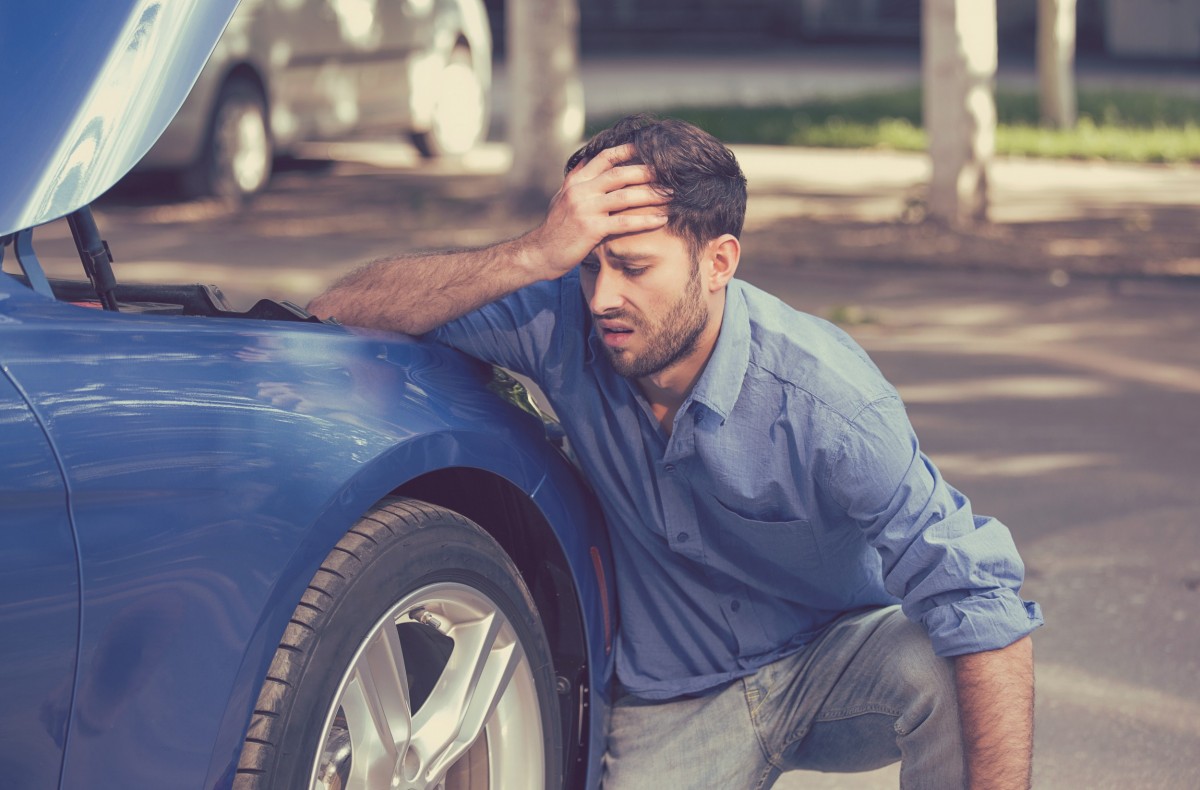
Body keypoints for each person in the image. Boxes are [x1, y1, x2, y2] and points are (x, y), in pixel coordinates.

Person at [308, 114, 1043, 789]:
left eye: (633, 267)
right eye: (590, 265)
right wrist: (534, 253)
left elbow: (980, 598)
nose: (601, 297)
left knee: (942, 665)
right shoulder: (562, 317)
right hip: (677, 696)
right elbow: (338, 309)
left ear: (718, 261)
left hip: (834, 661)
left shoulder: (829, 401)